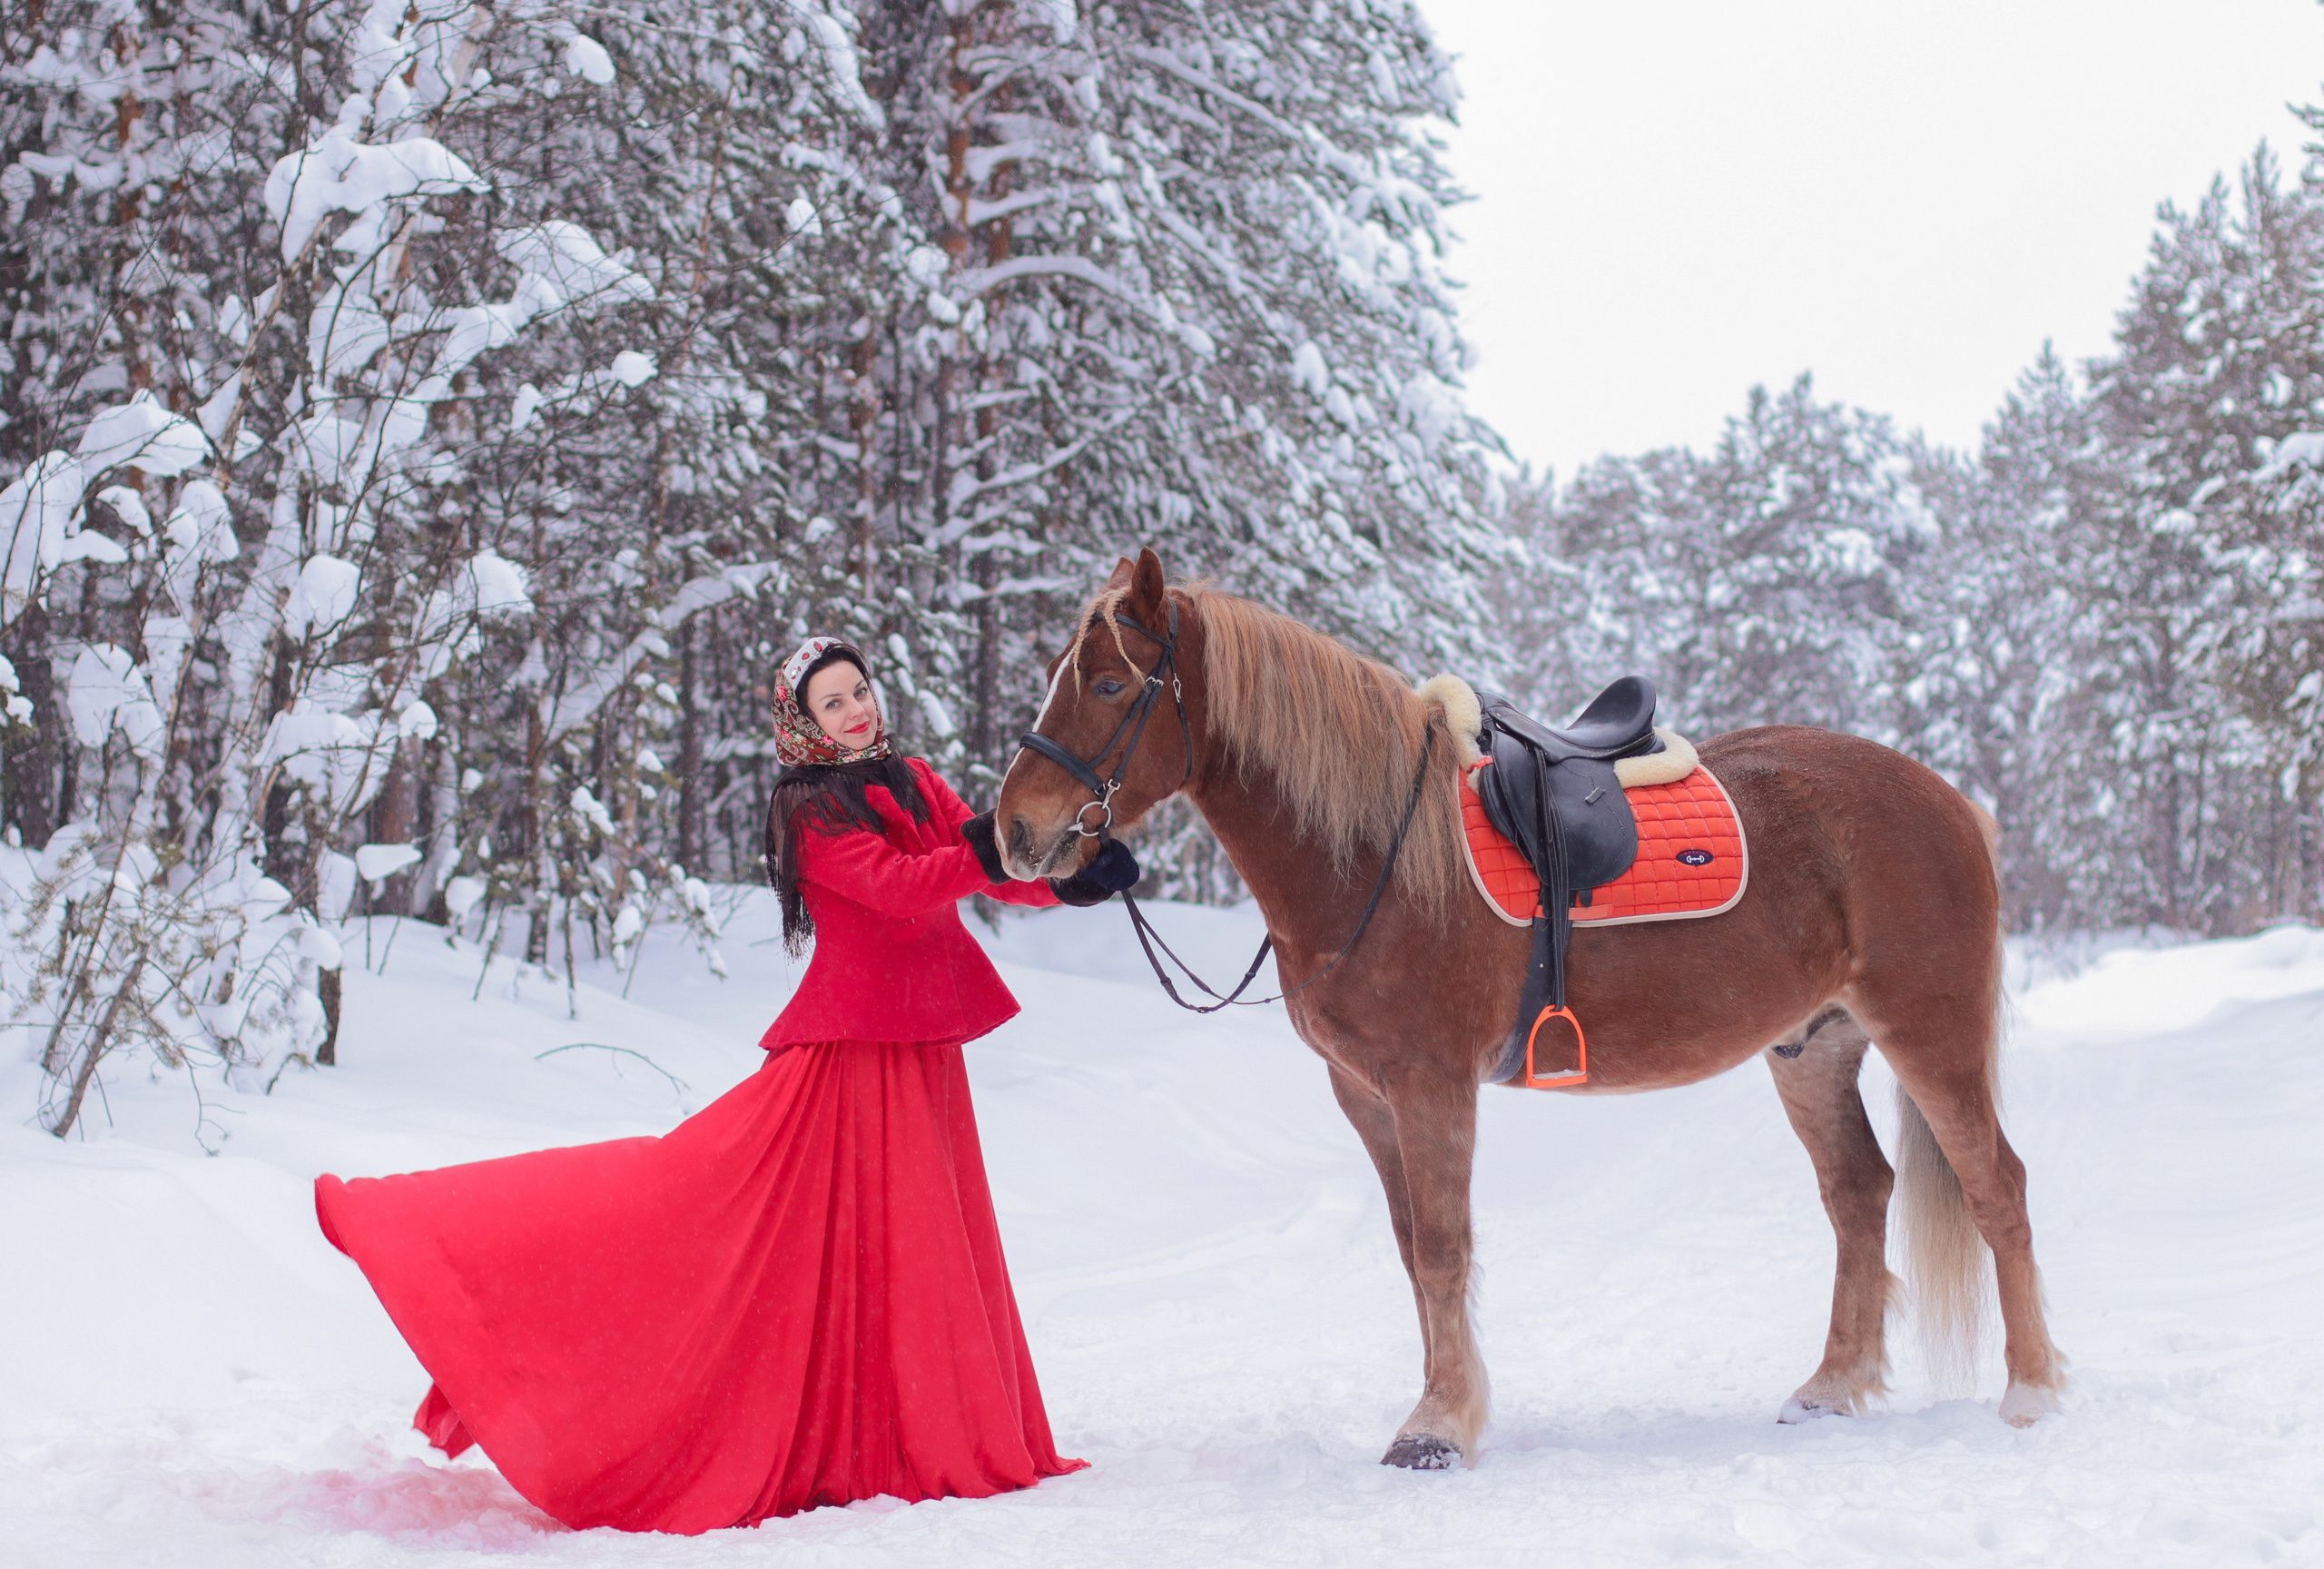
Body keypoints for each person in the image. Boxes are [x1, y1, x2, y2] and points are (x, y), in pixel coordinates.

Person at [313, 635, 1137, 1534]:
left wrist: (1068, 881)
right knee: (720, 1213)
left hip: (922, 1048)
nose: (856, 709)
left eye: (859, 690)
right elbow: (903, 888)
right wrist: (1004, 852)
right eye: (833, 702)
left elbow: (985, 876)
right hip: (854, 1055)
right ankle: (460, 1254)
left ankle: (894, 1436)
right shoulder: (806, 810)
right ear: (802, 723)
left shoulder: (913, 779)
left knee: (910, 1245)